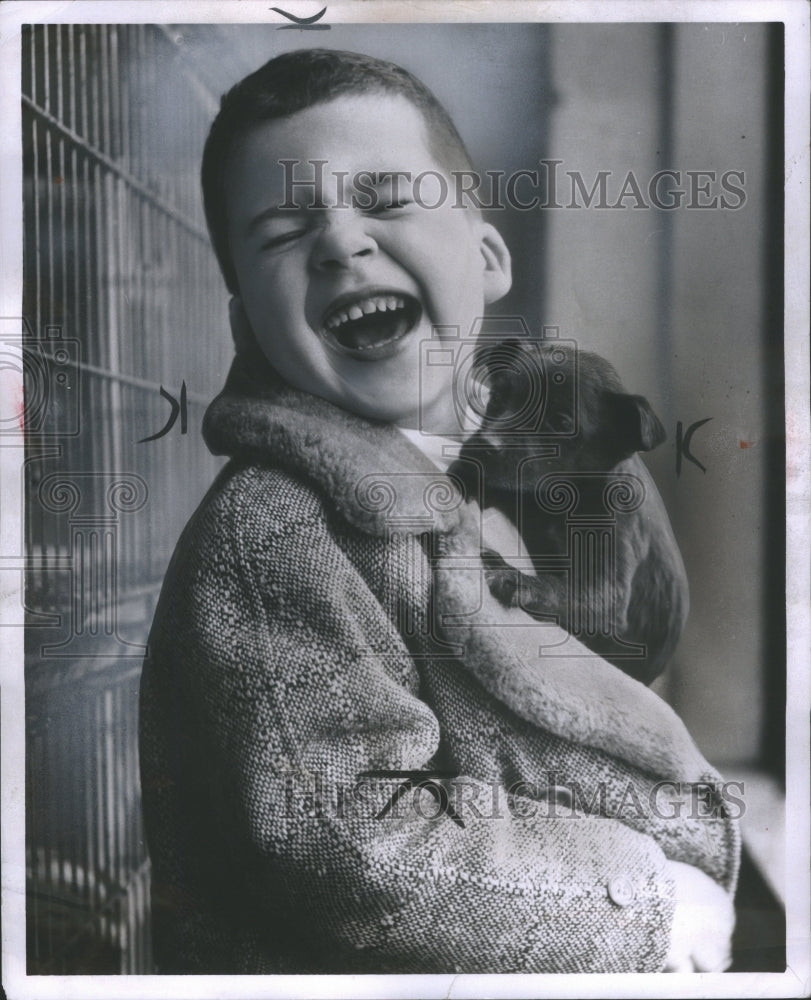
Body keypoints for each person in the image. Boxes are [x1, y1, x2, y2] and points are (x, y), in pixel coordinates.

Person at [138, 47, 739, 975]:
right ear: (247, 319)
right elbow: (351, 849)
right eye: (284, 230)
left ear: (489, 258)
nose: (341, 242)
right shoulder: (276, 537)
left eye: (384, 201)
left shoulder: (501, 465)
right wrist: (649, 902)